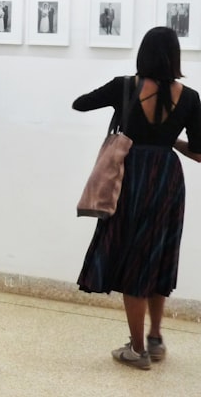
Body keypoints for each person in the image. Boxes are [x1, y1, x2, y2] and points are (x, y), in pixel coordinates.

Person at [72, 26, 201, 370]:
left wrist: (124, 113)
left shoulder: (124, 86)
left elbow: (80, 104)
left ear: (143, 53)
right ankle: (156, 338)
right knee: (157, 254)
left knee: (132, 256)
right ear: (175, 57)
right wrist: (169, 140)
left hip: (130, 178)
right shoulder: (189, 97)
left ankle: (137, 349)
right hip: (167, 180)